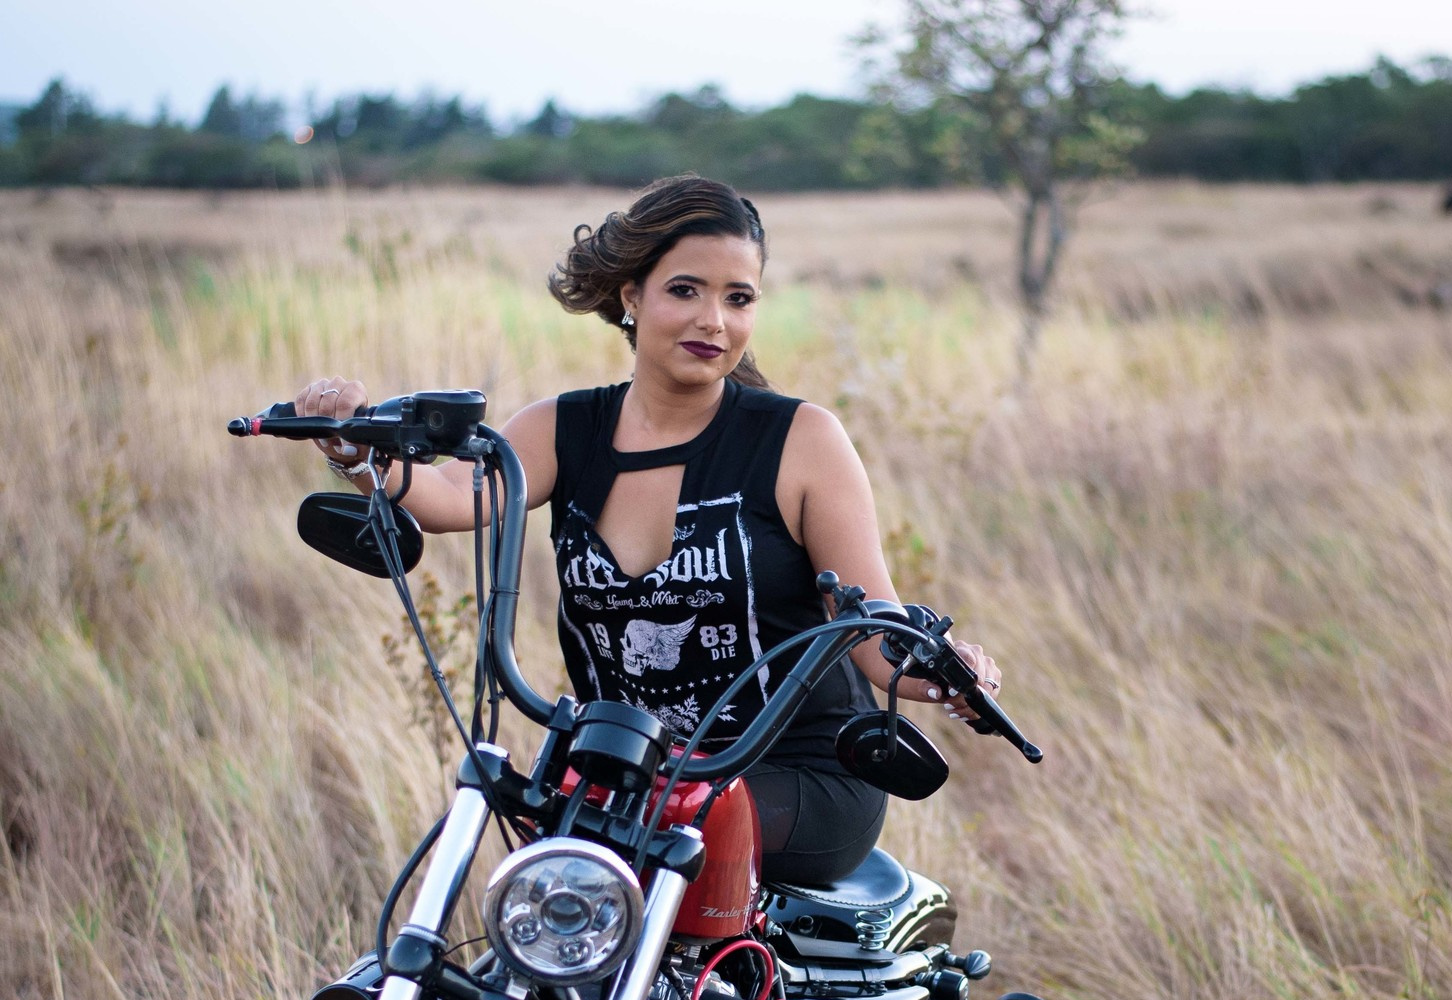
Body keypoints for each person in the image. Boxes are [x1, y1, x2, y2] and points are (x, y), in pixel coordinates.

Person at [288, 175, 999, 890]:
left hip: (798, 773)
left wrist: (950, 672)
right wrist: (355, 446)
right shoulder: (563, 429)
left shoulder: (801, 440)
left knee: (677, 828)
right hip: (629, 768)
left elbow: (875, 635)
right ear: (632, 296)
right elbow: (449, 494)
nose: (713, 320)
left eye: (738, 297)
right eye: (685, 290)